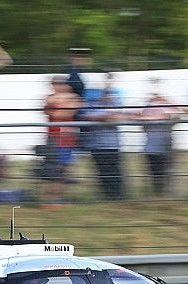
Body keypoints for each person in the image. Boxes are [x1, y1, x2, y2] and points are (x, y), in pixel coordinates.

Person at [81, 73, 125, 200]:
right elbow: (87, 116)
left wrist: (104, 116)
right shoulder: (89, 104)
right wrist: (106, 117)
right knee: (102, 171)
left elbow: (120, 115)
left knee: (114, 171)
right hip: (96, 144)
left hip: (112, 144)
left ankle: (117, 197)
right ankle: (108, 197)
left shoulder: (114, 100)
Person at [42, 76, 82, 207]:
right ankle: (51, 199)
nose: (56, 86)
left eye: (60, 84)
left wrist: (57, 106)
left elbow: (63, 114)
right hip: (52, 137)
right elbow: (50, 112)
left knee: (62, 169)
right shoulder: (50, 97)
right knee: (51, 169)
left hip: (66, 139)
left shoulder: (73, 97)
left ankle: (59, 199)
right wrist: (59, 106)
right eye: (54, 84)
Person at [139, 81, 183, 197]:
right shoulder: (146, 107)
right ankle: (158, 194)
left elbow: (176, 115)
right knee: (155, 173)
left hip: (166, 145)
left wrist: (167, 103)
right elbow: (141, 120)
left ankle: (168, 194)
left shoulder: (167, 105)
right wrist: (158, 117)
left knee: (167, 171)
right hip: (151, 146)